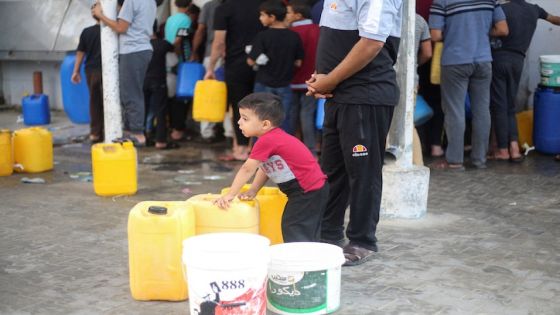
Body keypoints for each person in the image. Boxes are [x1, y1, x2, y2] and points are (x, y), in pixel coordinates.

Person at [306, 0, 402, 266]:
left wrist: (331, 78)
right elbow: (338, 42)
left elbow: (371, 43)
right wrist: (322, 78)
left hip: (365, 95)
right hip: (340, 95)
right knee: (332, 171)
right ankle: (328, 233)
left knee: (363, 171)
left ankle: (362, 240)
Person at [215, 93, 328, 243]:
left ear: (265, 124)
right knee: (304, 230)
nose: (239, 122)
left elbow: (247, 169)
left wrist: (230, 194)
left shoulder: (267, 140)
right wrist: (254, 189)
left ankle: (300, 263)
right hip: (312, 190)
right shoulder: (268, 139)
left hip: (307, 191)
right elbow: (265, 167)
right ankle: (310, 262)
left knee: (294, 227)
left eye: (245, 118)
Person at [428, 0, 508, 170]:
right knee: (482, 110)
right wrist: (484, 32)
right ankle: (479, 160)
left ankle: (455, 161)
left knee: (454, 110)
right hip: (484, 60)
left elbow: (435, 35)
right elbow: (502, 29)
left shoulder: (442, 1)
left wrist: (454, 33)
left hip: (454, 60)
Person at [489, 1, 560, 162]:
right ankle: (514, 148)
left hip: (499, 59)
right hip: (518, 61)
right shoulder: (534, 10)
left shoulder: (501, 9)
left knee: (499, 105)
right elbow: (555, 19)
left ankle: (502, 150)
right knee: (510, 106)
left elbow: (494, 29)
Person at [204, 0, 264, 161]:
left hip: (236, 64)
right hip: (263, 64)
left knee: (240, 106)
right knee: (261, 107)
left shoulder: (224, 9)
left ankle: (242, 149)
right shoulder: (264, 5)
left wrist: (211, 67)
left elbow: (219, 42)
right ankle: (256, 148)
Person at [92, 0, 157, 146]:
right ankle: (131, 131)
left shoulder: (132, 0)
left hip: (132, 50)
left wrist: (100, 15)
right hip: (141, 49)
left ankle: (137, 133)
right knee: (131, 92)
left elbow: (121, 28)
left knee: (131, 93)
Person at [247, 0, 304, 134]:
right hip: (285, 84)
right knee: (283, 120)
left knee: (259, 119)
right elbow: (298, 63)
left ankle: (260, 152)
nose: (260, 18)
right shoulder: (294, 36)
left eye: (262, 15)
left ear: (272, 17)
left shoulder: (262, 36)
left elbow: (250, 61)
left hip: (263, 84)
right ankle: (282, 152)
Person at [190, 0, 229, 143]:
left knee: (209, 93)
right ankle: (230, 132)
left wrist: (194, 52)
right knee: (228, 93)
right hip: (233, 55)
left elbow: (200, 30)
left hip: (211, 53)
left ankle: (207, 132)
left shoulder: (209, 6)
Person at [285, 0, 320, 155]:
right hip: (313, 80)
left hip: (293, 79)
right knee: (307, 114)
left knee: (292, 114)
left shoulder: (291, 32)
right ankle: (311, 148)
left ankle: (291, 149)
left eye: (289, 13)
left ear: (298, 15)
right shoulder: (318, 30)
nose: (286, 16)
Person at [144, 22, 177, 150]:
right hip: (158, 81)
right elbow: (174, 49)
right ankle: (160, 141)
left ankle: (143, 138)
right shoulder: (162, 44)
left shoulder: (138, 45)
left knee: (143, 110)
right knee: (160, 111)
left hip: (142, 81)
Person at [72, 14, 104, 144]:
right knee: (109, 102)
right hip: (109, 70)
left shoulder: (87, 32)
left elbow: (80, 52)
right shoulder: (111, 30)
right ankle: (109, 131)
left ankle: (95, 133)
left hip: (91, 71)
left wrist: (76, 71)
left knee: (94, 102)